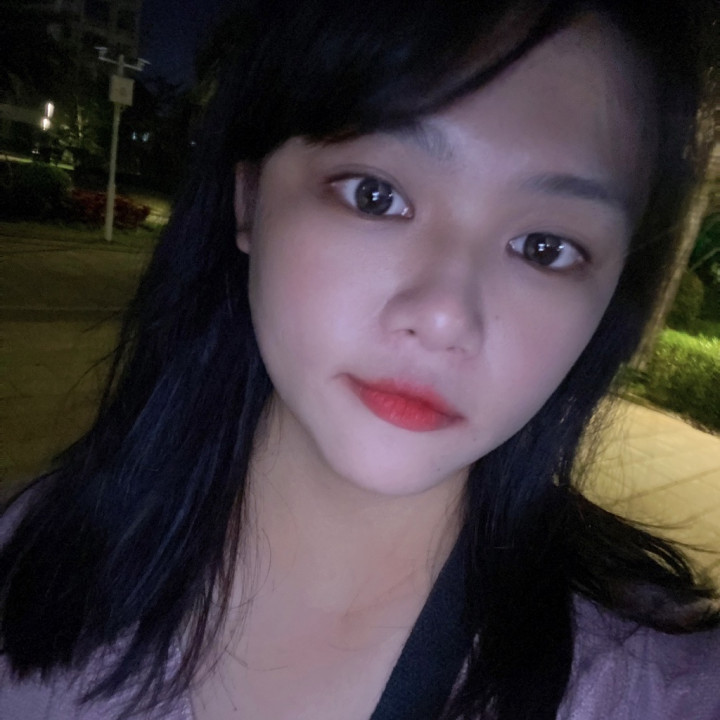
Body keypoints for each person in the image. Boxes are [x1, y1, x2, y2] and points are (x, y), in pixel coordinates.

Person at [1, 1, 719, 718]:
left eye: (545, 248)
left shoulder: (655, 689)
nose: (444, 316)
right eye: (375, 196)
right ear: (249, 197)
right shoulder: (28, 560)